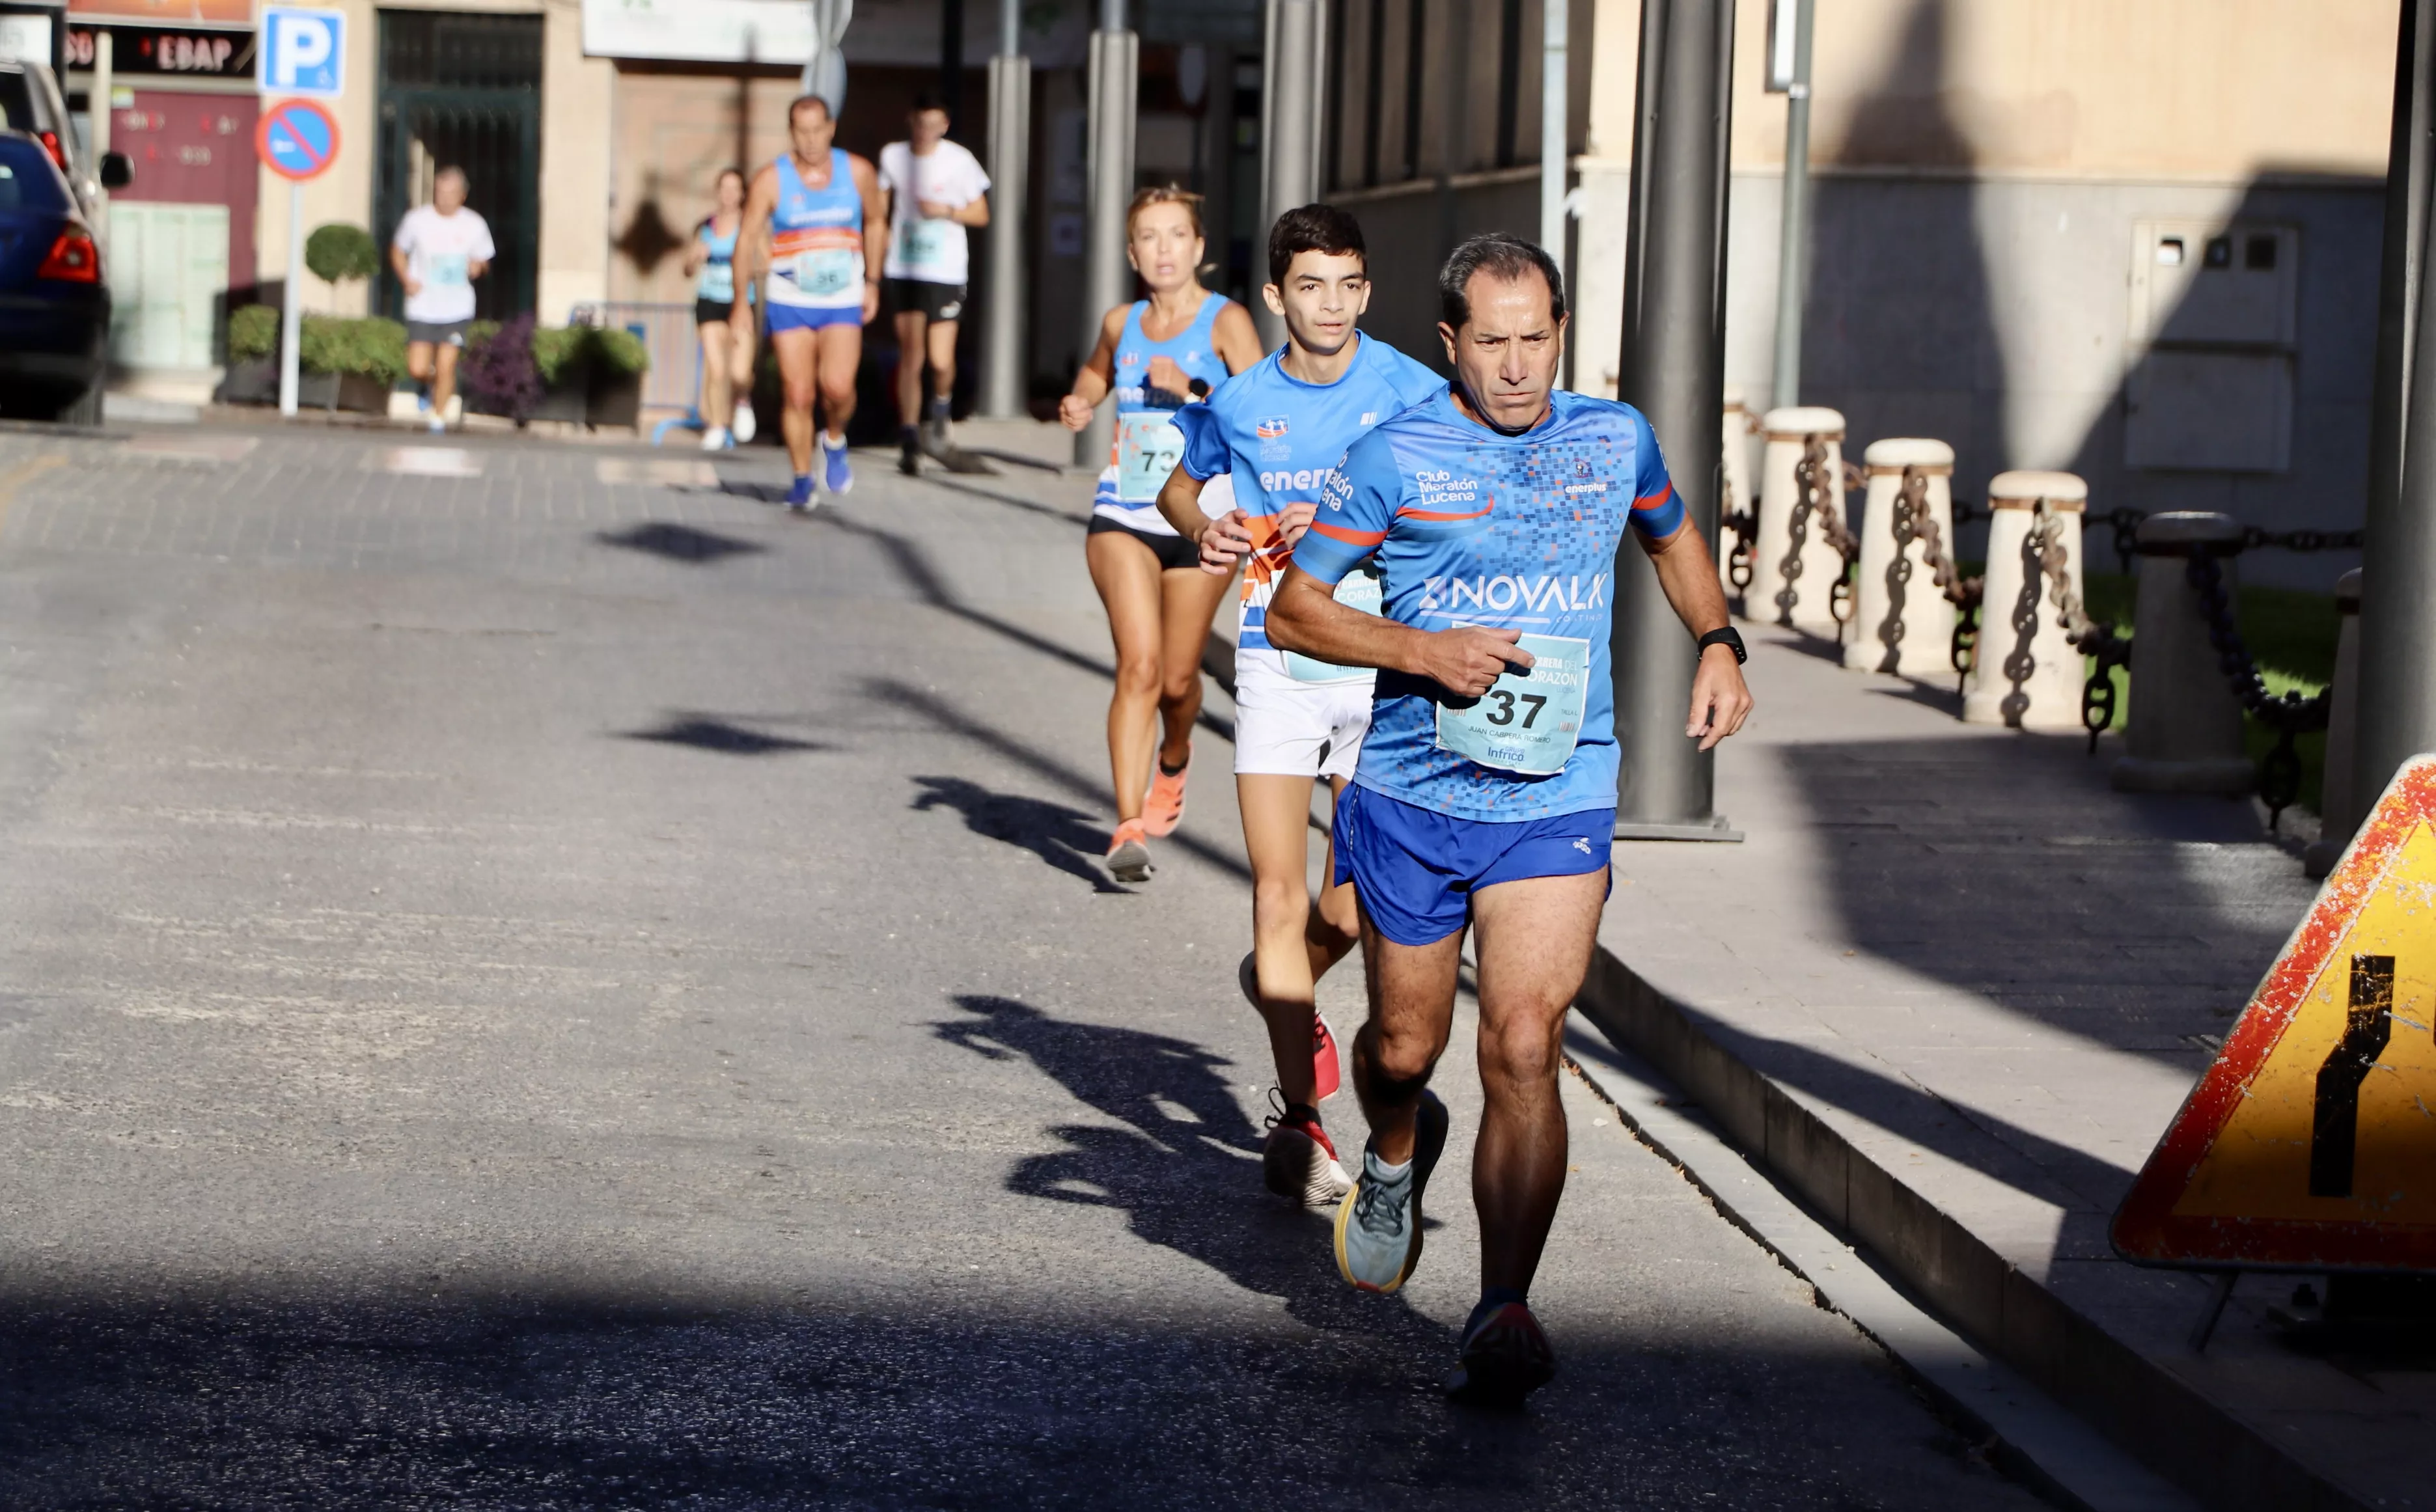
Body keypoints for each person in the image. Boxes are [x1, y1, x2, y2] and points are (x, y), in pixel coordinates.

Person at [1265, 233, 1754, 1404]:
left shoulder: (1612, 437)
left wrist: (1718, 639)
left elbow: (1671, 532)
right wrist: (1421, 649)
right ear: (1449, 343)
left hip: (1558, 791)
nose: (1520, 364)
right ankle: (1394, 1145)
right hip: (1411, 792)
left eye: (1538, 336)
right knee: (1403, 1049)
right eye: (1493, 341)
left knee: (1525, 1041)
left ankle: (1502, 1302)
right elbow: (1294, 611)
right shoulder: (1393, 455)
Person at [1156, 204, 1445, 1208]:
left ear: (1366, 289)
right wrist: (1212, 527)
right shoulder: (1239, 401)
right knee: (1276, 897)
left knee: (1356, 906)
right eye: (1310, 286)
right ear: (1275, 295)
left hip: (1381, 664)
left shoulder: (1414, 389)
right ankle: (1303, 1117)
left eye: (1349, 285)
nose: (1331, 305)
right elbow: (1178, 490)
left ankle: (1279, 980)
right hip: (1276, 660)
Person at [1059, 187, 1262, 883]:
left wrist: (1199, 386)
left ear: (1199, 248)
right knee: (1138, 665)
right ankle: (1125, 825)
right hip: (1124, 513)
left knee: (1179, 680)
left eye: (1177, 235)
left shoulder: (1226, 320)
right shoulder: (1122, 321)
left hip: (1202, 520)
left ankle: (1175, 754)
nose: (1164, 249)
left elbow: (1267, 409)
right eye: (1149, 236)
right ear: (1131, 253)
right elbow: (1095, 367)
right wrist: (1083, 399)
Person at [736, 94, 887, 510]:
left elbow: (875, 221)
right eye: (802, 131)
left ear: (831, 128)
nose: (811, 140)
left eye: (818, 129)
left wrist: (873, 281)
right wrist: (739, 302)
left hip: (842, 295)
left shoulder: (857, 172)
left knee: (837, 387)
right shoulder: (772, 179)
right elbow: (746, 238)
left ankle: (835, 438)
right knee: (798, 393)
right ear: (791, 133)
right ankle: (802, 478)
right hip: (790, 296)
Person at [878, 93, 990, 475]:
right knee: (912, 355)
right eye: (921, 124)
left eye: (935, 125)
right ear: (911, 122)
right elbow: (879, 210)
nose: (926, 132)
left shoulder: (959, 161)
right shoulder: (892, 156)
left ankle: (940, 411)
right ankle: (910, 435)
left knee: (941, 361)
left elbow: (981, 213)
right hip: (905, 267)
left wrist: (944, 210)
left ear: (944, 126)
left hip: (945, 271)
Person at [389, 166, 494, 435]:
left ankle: (438, 418)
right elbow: (397, 251)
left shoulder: (474, 224)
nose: (444, 198)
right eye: (440, 192)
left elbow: (484, 262)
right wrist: (406, 279)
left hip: (456, 308)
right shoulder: (417, 220)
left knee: (447, 365)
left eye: (451, 193)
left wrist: (477, 268)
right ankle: (429, 384)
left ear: (462, 196)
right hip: (422, 305)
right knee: (417, 367)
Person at [683, 167, 759, 451]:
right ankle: (715, 425)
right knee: (715, 369)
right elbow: (687, 269)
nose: (728, 195)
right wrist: (695, 258)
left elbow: (765, 262)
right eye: (723, 188)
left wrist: (747, 262)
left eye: (734, 189)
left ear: (742, 194)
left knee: (740, 371)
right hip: (709, 301)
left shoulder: (750, 227)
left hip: (740, 302)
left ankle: (742, 400)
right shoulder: (705, 227)